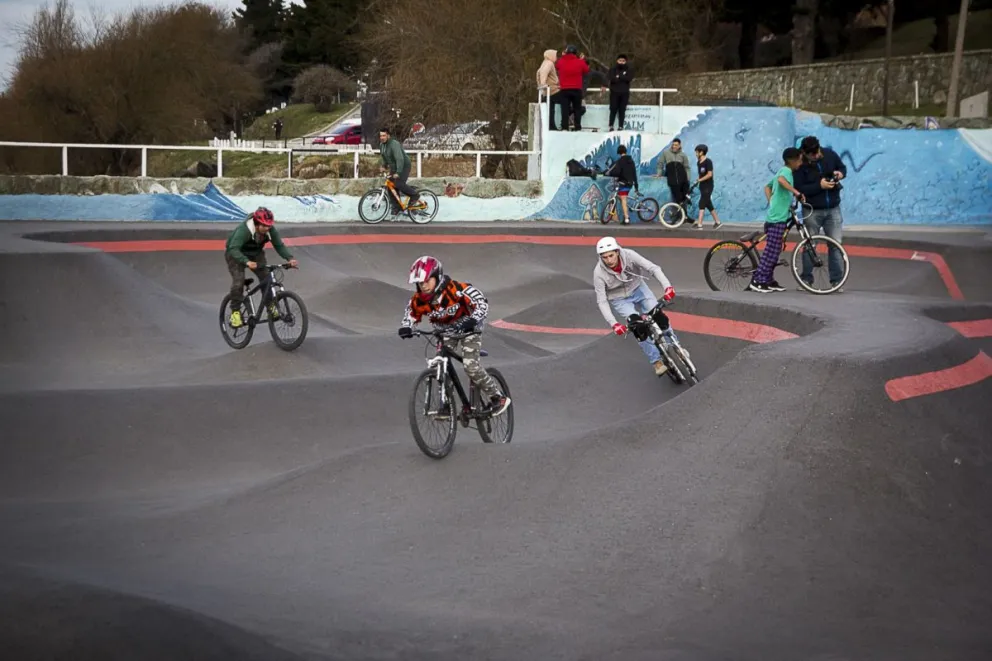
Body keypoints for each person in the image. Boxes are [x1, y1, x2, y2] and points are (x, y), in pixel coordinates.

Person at [398, 255, 511, 417]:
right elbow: (410, 313)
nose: (424, 286)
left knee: (470, 366)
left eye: (427, 280)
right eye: (420, 283)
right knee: (441, 365)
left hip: (469, 330)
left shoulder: (455, 289)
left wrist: (473, 319)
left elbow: (481, 301)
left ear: (437, 277)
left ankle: (498, 397)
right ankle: (445, 404)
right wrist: (406, 327)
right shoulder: (419, 300)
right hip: (445, 332)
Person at [593, 236, 678, 377]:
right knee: (638, 327)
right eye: (604, 257)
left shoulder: (629, 255)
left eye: (611, 255)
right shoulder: (598, 273)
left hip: (638, 288)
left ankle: (676, 346)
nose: (609, 260)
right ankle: (656, 362)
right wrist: (614, 324)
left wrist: (667, 287)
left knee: (658, 315)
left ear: (617, 251)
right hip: (619, 299)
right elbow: (601, 301)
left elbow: (653, 268)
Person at [224, 207, 298, 328]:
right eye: (264, 226)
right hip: (236, 255)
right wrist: (246, 261)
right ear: (257, 224)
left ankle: (270, 307)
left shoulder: (270, 230)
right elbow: (233, 248)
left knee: (267, 278)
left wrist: (289, 258)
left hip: (255, 254)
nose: (267, 228)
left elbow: (279, 245)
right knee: (238, 282)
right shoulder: (245, 230)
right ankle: (235, 313)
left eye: (269, 225)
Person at [794, 135, 847, 291]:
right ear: (805, 153)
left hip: (833, 208)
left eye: (817, 152)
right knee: (810, 245)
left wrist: (840, 174)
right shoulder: (800, 164)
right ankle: (806, 279)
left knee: (835, 244)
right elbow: (799, 188)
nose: (817, 156)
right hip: (811, 210)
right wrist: (820, 186)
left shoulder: (829, 154)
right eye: (813, 155)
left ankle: (836, 281)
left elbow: (842, 168)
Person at [749, 147, 805, 293]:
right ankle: (758, 280)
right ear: (792, 160)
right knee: (771, 252)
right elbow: (780, 181)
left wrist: (773, 202)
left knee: (775, 251)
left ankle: (768, 280)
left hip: (777, 216)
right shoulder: (785, 171)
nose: (801, 163)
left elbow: (767, 187)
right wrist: (796, 193)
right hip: (777, 219)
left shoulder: (782, 171)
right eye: (800, 160)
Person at [378, 127, 424, 213]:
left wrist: (398, 172)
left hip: (403, 166)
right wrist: (384, 166)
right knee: (390, 186)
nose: (382, 137)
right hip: (394, 167)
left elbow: (399, 159)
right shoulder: (382, 145)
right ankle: (397, 207)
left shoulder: (394, 144)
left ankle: (415, 195)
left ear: (388, 136)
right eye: (381, 136)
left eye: (384, 135)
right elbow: (385, 157)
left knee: (398, 183)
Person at [554, 45, 589, 131]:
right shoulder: (580, 62)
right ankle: (577, 127)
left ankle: (564, 127)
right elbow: (586, 70)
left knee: (565, 109)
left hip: (564, 89)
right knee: (577, 109)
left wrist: (563, 56)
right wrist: (582, 60)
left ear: (566, 52)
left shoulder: (561, 61)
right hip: (576, 89)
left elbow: (557, 66)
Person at [605, 145, 638, 224]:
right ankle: (626, 213)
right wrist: (636, 186)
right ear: (625, 151)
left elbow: (617, 172)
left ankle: (626, 218)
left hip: (624, 183)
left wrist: (609, 174)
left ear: (619, 152)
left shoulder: (620, 161)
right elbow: (634, 173)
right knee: (621, 197)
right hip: (630, 183)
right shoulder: (631, 161)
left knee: (623, 199)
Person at [692, 144, 722, 229]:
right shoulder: (699, 162)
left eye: (697, 152)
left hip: (708, 186)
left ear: (701, 152)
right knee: (708, 204)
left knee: (701, 203)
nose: (696, 154)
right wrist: (698, 181)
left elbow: (709, 174)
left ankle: (699, 224)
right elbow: (701, 175)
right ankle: (718, 222)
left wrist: (700, 180)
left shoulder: (708, 161)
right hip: (702, 186)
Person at [537, 49, 566, 131]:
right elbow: (544, 73)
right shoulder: (549, 63)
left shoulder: (544, 63)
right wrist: (543, 84)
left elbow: (538, 73)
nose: (556, 57)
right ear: (551, 56)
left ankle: (552, 126)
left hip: (547, 92)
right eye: (555, 55)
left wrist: (540, 85)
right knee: (566, 101)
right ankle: (565, 123)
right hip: (553, 90)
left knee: (550, 110)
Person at [657, 138, 691, 206]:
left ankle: (684, 211)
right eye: (673, 145)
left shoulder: (683, 155)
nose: (674, 146)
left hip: (683, 178)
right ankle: (680, 210)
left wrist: (688, 178)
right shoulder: (666, 153)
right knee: (678, 197)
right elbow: (660, 163)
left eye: (676, 145)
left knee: (685, 197)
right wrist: (659, 174)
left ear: (679, 145)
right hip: (672, 178)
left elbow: (687, 167)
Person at [606, 54, 633, 131]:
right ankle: (611, 125)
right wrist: (620, 77)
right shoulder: (612, 69)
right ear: (617, 61)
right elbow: (612, 78)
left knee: (622, 110)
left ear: (626, 61)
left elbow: (629, 78)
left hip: (624, 92)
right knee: (613, 109)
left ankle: (620, 126)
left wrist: (619, 76)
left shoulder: (629, 69)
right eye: (620, 60)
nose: (621, 62)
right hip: (614, 92)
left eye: (623, 61)